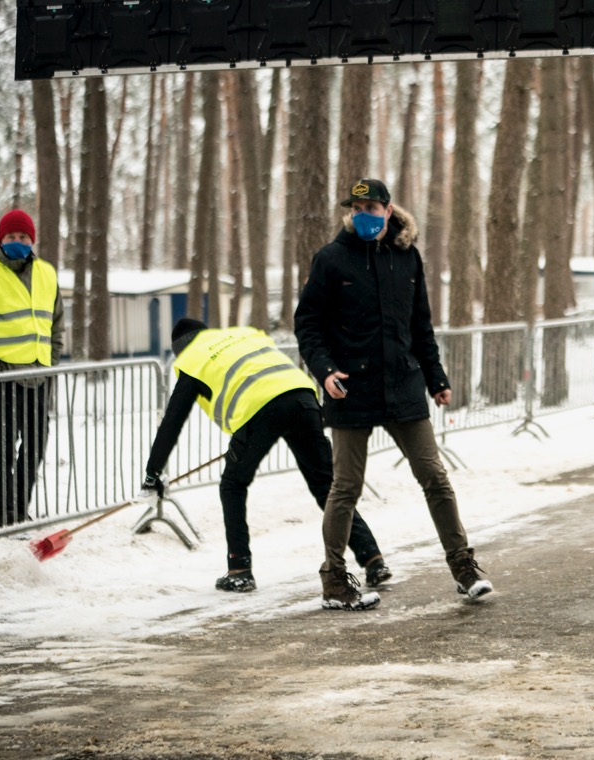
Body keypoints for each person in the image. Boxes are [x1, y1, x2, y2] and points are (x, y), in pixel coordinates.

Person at [294, 178, 493, 608]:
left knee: (435, 477)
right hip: (350, 388)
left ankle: (463, 566)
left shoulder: (407, 257)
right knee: (345, 486)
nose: (363, 215)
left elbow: (420, 325)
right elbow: (307, 324)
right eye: (356, 208)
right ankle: (334, 580)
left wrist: (436, 378)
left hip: (403, 386)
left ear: (388, 209)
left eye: (371, 207)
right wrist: (325, 371)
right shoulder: (331, 259)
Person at [142, 319, 391, 606]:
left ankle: (239, 569)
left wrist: (153, 472)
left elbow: (172, 421)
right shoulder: (241, 337)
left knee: (233, 485)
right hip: (302, 397)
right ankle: (373, 558)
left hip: (258, 411)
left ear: (179, 348)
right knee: (327, 486)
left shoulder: (193, 359)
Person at [0, 210, 63, 527]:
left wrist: (51, 361)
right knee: (4, 446)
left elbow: (56, 325)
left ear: (33, 240)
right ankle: (2, 512)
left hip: (39, 374)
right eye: (12, 237)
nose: (18, 242)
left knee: (36, 443)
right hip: (4, 376)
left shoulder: (47, 273)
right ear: (0, 240)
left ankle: (17, 509)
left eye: (24, 237)